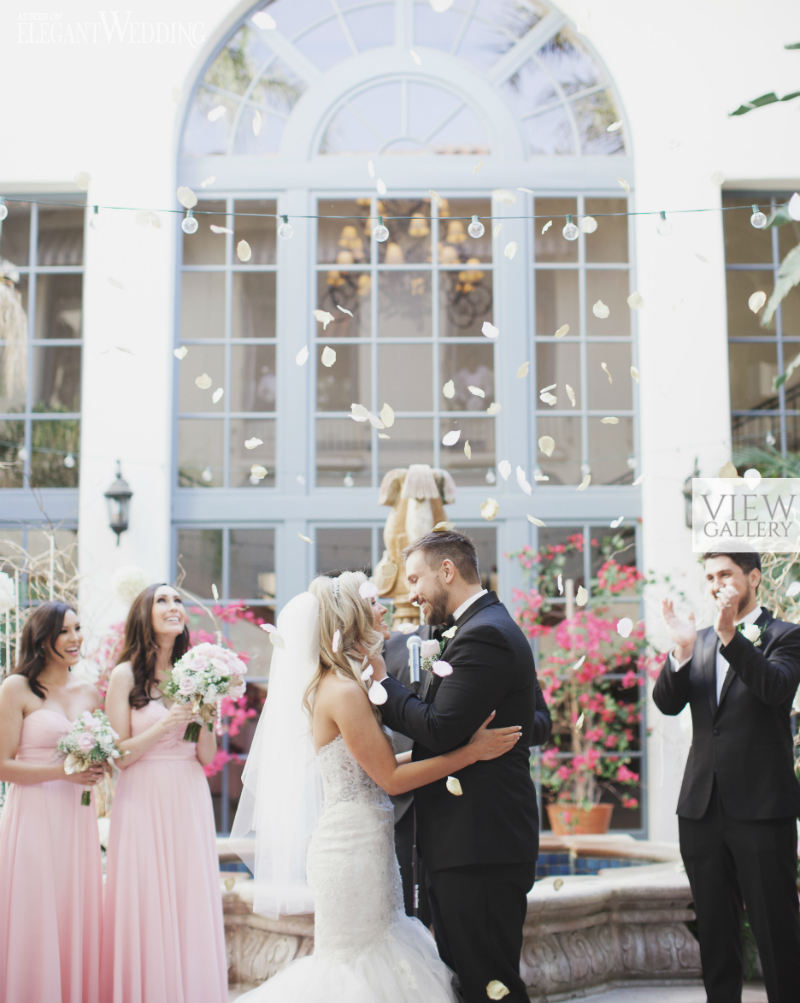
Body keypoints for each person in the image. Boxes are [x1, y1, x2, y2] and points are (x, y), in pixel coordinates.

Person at [231, 571, 521, 1003]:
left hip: (367, 840)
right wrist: (469, 753)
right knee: (354, 967)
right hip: (350, 848)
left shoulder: (349, 683)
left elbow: (378, 767)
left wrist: (456, 744)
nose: (384, 608)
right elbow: (389, 778)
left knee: (381, 956)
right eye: (373, 604)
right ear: (351, 618)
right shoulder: (344, 692)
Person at [374, 530, 545, 1003]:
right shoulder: (472, 628)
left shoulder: (485, 634)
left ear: (447, 571)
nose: (410, 593)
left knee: (490, 982)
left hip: (480, 846)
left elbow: (440, 727)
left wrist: (382, 684)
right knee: (473, 982)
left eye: (415, 578)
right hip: (465, 843)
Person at [654, 551, 800, 1003]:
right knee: (715, 933)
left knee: (775, 930)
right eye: (711, 577)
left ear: (753, 577)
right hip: (700, 808)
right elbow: (666, 702)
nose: (718, 584)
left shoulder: (786, 636)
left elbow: (775, 689)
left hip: (761, 809)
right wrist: (680, 652)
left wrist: (731, 638)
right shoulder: (695, 641)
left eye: (727, 575)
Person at [101, 584, 227, 1003]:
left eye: (178, 601)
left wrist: (208, 712)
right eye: (163, 601)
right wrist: (166, 724)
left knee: (189, 897)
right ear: (144, 614)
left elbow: (205, 756)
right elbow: (119, 756)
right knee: (145, 900)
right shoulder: (124, 676)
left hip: (187, 796)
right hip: (142, 796)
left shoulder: (194, 672)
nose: (174, 607)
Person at [0, 601, 105, 1003]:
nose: (75, 638)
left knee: (71, 911)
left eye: (78, 629)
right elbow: (3, 766)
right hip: (33, 816)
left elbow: (92, 753)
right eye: (65, 631)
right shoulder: (17, 688)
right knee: (34, 911)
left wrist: (99, 765)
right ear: (43, 639)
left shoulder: (89, 691)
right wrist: (63, 773)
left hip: (76, 817)